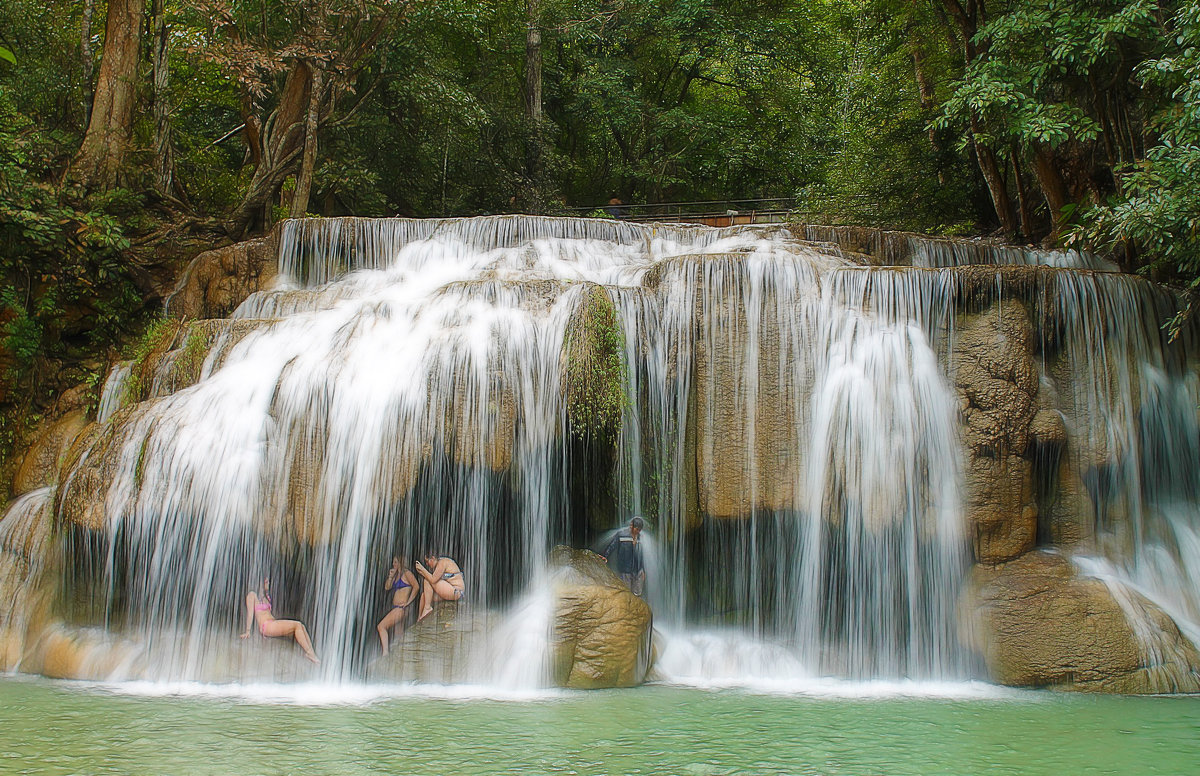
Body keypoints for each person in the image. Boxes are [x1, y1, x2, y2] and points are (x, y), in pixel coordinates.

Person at [240, 576, 320, 664]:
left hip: (273, 623)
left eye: (268, 581)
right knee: (297, 625)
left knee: (301, 626)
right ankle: (309, 653)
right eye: (266, 581)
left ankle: (312, 653)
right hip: (266, 626)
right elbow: (250, 613)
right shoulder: (252, 595)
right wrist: (248, 631)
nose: (268, 582)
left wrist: (266, 590)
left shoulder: (265, 596)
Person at [376, 555, 418, 656]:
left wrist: (408, 602)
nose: (393, 564)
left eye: (395, 562)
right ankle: (401, 654)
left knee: (381, 626)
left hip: (400, 608)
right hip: (397, 608)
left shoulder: (407, 573)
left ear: (401, 562)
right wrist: (390, 577)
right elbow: (387, 587)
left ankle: (385, 653)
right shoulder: (395, 576)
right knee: (398, 635)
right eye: (393, 562)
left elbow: (416, 586)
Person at [414, 552, 465, 621]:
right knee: (424, 595)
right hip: (448, 591)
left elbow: (433, 580)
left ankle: (427, 608)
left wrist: (422, 569)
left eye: (427, 561)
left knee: (427, 580)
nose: (427, 564)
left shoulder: (442, 562)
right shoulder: (439, 564)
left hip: (456, 591)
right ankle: (419, 618)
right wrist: (421, 571)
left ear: (433, 558)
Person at [602, 516, 646, 596]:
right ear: (631, 526)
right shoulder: (622, 535)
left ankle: (637, 607)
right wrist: (605, 556)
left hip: (637, 569)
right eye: (637, 529)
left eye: (639, 530)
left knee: (637, 593)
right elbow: (612, 546)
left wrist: (643, 570)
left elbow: (640, 554)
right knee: (627, 592)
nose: (638, 531)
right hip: (625, 569)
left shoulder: (640, 537)